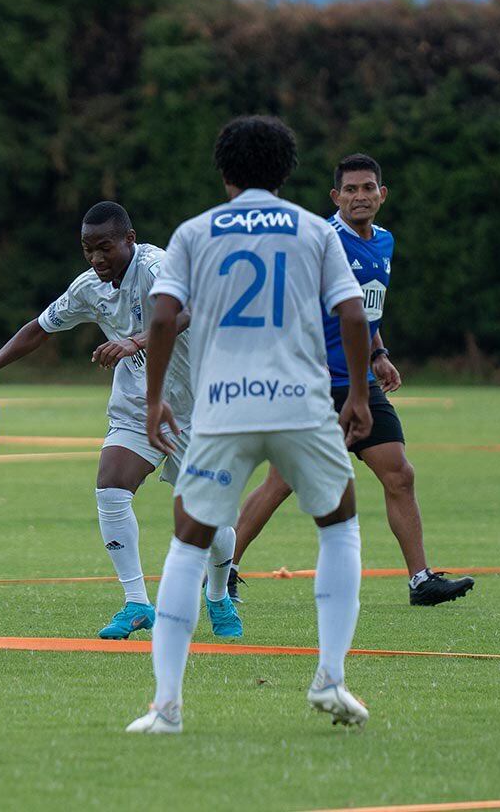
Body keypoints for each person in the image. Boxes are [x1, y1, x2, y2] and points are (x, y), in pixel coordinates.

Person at [126, 115, 374, 735]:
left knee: (188, 543)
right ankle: (331, 678)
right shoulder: (317, 230)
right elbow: (350, 312)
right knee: (339, 527)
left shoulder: (194, 232)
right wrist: (360, 395)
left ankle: (166, 706)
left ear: (225, 171)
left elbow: (161, 319)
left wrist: (155, 397)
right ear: (288, 172)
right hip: (300, 404)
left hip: (222, 406)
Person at [0, 202, 240, 641]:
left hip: (196, 408)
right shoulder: (90, 286)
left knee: (210, 517)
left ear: (129, 239)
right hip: (136, 406)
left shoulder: (156, 266)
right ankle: (136, 602)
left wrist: (137, 341)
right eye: (88, 249)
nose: (95, 259)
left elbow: (188, 312)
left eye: (104, 248)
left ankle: (220, 596)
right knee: (111, 485)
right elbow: (40, 327)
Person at [226, 153, 474, 607]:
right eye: (351, 190)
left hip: (361, 381)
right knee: (282, 482)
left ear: (383, 194)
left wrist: (378, 354)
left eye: (368, 188)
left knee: (400, 474)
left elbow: (362, 310)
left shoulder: (384, 242)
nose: (361, 197)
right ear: (335, 196)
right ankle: (224, 570)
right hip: (315, 385)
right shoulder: (322, 240)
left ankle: (421, 580)